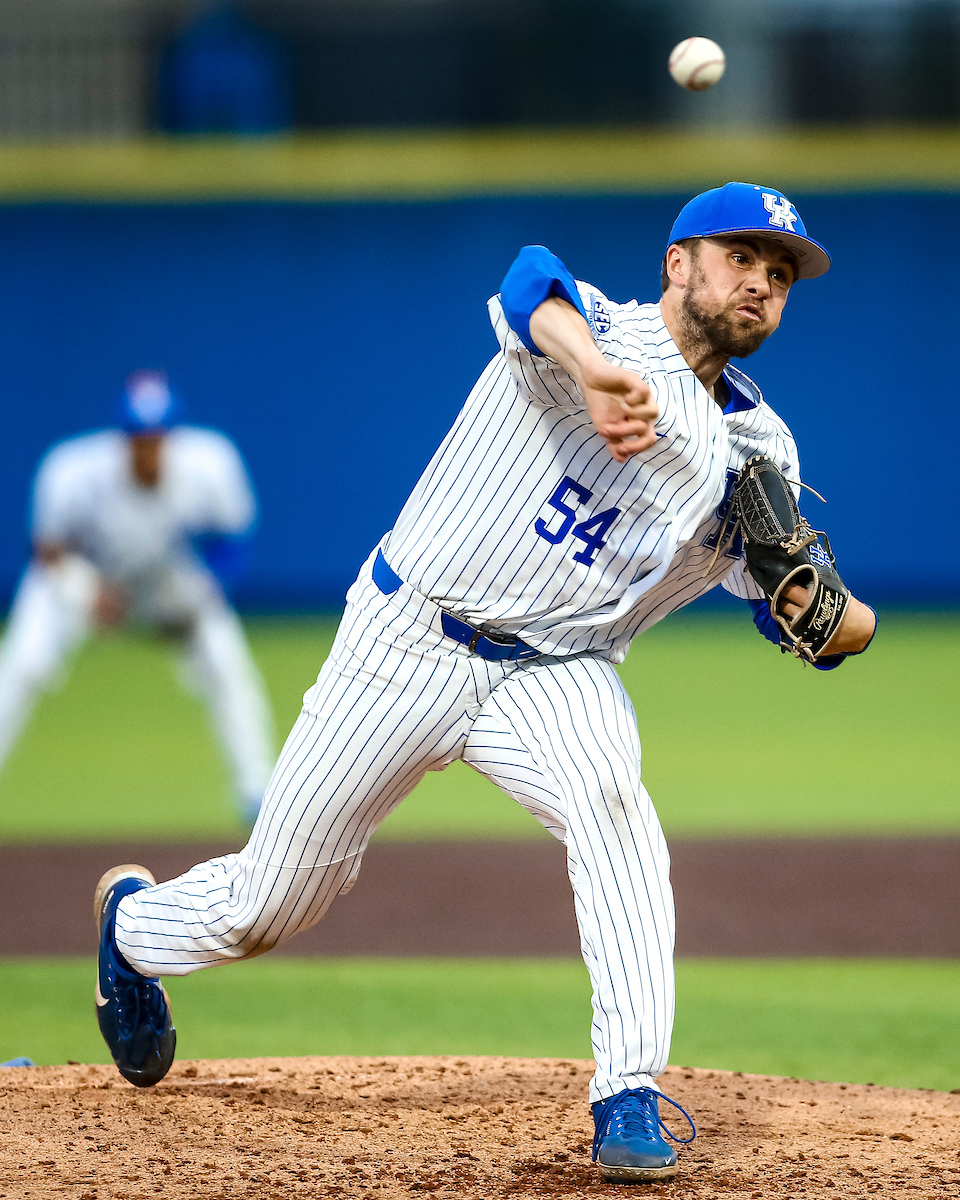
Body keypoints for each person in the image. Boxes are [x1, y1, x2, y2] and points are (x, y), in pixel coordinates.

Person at [93, 185, 876, 1181]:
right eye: (739, 256)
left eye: (780, 272)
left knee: (615, 812)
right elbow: (524, 282)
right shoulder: (591, 329)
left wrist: (842, 623)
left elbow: (790, 608)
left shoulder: (760, 449)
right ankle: (132, 929)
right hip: (408, 639)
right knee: (270, 904)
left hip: (556, 671)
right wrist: (592, 372)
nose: (760, 281)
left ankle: (627, 1093)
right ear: (678, 263)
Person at [0, 370, 275, 823]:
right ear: (121, 435)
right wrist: (84, 591)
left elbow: (233, 543)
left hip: (160, 579)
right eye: (138, 437)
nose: (149, 447)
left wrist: (201, 595)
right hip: (83, 578)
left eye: (158, 436)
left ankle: (257, 794)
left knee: (225, 662)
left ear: (173, 434)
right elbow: (47, 550)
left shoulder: (210, 463)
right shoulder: (72, 469)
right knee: (25, 662)